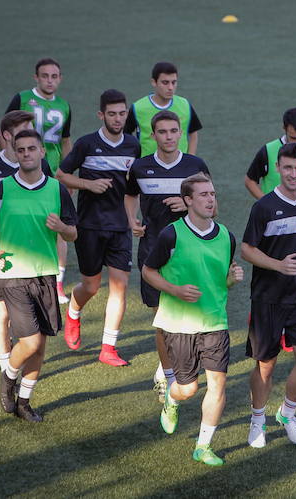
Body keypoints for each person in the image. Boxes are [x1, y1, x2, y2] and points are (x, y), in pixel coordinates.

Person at [142, 173, 243, 466]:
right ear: (187, 200)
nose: (211, 199)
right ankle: (172, 401)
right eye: (203, 195)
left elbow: (221, 281)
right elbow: (149, 271)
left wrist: (232, 279)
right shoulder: (171, 235)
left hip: (215, 323)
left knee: (218, 386)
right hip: (179, 324)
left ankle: (203, 446)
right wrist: (174, 289)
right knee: (188, 389)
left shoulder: (227, 236)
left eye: (212, 193)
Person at [0, 129, 77, 422]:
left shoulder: (57, 189)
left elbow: (73, 233)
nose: (26, 153)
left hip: (46, 275)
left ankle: (24, 402)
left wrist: (61, 228)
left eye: (31, 149)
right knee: (31, 341)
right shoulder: (0, 189)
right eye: (20, 149)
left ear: (42, 152)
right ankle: (8, 379)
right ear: (14, 153)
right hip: (13, 276)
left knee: (42, 344)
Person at [241, 142, 296, 447]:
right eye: (287, 167)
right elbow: (247, 249)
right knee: (266, 365)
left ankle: (288, 413)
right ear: (277, 168)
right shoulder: (263, 206)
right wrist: (278, 264)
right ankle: (257, 419)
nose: (293, 174)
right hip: (268, 298)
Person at [124, 110, 210, 401]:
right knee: (162, 319)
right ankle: (169, 377)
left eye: (174, 131)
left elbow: (213, 207)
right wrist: (131, 220)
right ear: (153, 135)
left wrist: (187, 205)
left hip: (189, 254)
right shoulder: (140, 167)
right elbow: (130, 195)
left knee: (190, 316)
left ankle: (176, 367)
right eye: (163, 132)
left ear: (181, 133)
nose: (169, 137)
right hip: (152, 254)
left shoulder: (195, 166)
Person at [57, 89, 141, 366]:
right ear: (101, 115)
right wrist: (88, 184)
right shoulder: (86, 144)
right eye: (112, 114)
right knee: (91, 286)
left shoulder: (133, 145)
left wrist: (132, 217)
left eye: (122, 113)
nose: (118, 119)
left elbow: (133, 188)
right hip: (90, 226)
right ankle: (74, 311)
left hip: (119, 228)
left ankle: (108, 348)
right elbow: (61, 174)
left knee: (121, 286)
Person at [0, 110, 53, 373]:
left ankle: (20, 356)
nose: (28, 135)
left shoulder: (38, 164)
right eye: (23, 130)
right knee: (1, 312)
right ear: (7, 136)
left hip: (32, 254)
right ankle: (6, 365)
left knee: (28, 316)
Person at [5, 57, 74, 303]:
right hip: (24, 170)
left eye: (54, 76)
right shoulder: (22, 98)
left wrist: (69, 173)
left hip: (52, 174)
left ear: (60, 79)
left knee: (57, 227)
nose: (50, 80)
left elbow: (65, 141)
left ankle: (57, 284)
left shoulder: (64, 105)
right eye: (45, 76)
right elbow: (5, 129)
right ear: (36, 77)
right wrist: (9, 159)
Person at [125, 61, 203, 157]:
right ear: (154, 82)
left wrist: (191, 158)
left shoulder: (185, 105)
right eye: (165, 83)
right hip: (147, 168)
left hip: (181, 168)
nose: (170, 87)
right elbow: (125, 135)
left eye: (173, 82)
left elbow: (193, 134)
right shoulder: (138, 108)